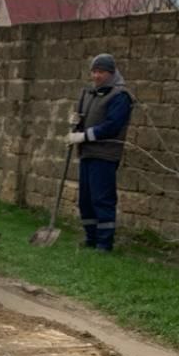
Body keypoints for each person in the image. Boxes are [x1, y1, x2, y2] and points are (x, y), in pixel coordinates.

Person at [67, 53, 133, 251]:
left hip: (105, 155)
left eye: (101, 72)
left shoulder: (120, 96)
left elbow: (112, 126)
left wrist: (84, 136)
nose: (96, 76)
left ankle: (104, 243)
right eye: (94, 72)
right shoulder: (88, 94)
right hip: (87, 153)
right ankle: (91, 238)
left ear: (111, 73)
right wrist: (75, 125)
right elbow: (81, 117)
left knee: (101, 199)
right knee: (85, 200)